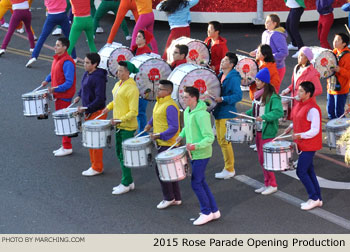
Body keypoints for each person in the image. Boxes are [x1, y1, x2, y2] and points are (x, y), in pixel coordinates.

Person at [176, 86, 220, 226]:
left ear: (194, 98)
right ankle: (214, 210)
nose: (183, 99)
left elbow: (209, 137)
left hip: (201, 153)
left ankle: (206, 212)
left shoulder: (202, 115)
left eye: (186, 97)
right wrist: (181, 136)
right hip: (193, 153)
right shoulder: (188, 111)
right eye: (183, 97)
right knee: (201, 182)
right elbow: (187, 127)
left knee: (196, 183)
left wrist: (195, 146)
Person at [102, 61, 139, 195]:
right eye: (117, 71)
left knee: (124, 155)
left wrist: (119, 120)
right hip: (118, 124)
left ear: (128, 72)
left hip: (126, 127)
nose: (118, 73)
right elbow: (116, 100)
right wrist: (108, 107)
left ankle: (125, 183)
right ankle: (129, 181)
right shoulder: (118, 84)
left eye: (121, 71)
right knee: (119, 153)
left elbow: (134, 112)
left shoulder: (132, 89)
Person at [284, 81, 323, 210]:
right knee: (309, 171)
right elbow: (297, 118)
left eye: (301, 91)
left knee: (301, 171)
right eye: (298, 90)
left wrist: (300, 135)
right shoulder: (300, 104)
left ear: (308, 94)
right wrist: (290, 127)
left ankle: (314, 198)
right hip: (302, 143)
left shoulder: (313, 109)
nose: (298, 93)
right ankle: (318, 198)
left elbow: (315, 130)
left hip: (309, 145)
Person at [144, 80, 182, 209]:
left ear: (168, 91)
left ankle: (168, 197)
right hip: (161, 141)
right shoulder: (160, 102)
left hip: (168, 144)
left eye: (160, 89)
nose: (157, 91)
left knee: (161, 170)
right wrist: (150, 124)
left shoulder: (170, 106)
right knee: (170, 170)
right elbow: (156, 115)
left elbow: (174, 128)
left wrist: (159, 135)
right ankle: (176, 197)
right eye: (158, 88)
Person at [246, 68, 283, 195]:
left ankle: (273, 184)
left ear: (265, 82)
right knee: (262, 159)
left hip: (267, 131)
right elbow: (255, 111)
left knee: (267, 159)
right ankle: (267, 183)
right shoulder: (258, 95)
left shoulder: (273, 97)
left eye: (258, 80)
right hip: (258, 130)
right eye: (256, 79)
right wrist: (244, 115)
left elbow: (278, 112)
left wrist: (264, 118)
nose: (256, 82)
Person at [74, 53, 107, 176]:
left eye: (88, 63)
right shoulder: (87, 73)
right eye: (85, 62)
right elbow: (83, 87)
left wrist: (86, 108)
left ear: (95, 64)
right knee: (91, 140)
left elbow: (100, 98)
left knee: (95, 142)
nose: (85, 64)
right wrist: (79, 95)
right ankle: (94, 165)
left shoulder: (98, 78)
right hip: (89, 111)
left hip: (97, 112)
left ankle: (97, 167)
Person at [42, 37, 76, 157]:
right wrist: (47, 80)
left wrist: (55, 89)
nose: (55, 47)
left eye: (57, 45)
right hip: (58, 94)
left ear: (64, 47)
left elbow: (69, 83)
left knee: (64, 121)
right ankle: (64, 144)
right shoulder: (57, 59)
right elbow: (54, 72)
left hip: (64, 96)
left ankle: (67, 146)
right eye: (55, 45)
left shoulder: (67, 62)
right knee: (61, 120)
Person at [212, 52, 242, 179]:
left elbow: (238, 96)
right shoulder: (221, 75)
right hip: (219, 112)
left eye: (225, 60)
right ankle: (228, 167)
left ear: (231, 64)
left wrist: (223, 98)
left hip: (226, 112)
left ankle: (229, 168)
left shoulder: (233, 78)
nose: (222, 62)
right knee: (220, 140)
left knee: (225, 141)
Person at [25, 0, 77, 68]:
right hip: (62, 15)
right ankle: (74, 56)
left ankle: (34, 56)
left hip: (51, 15)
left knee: (42, 37)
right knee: (69, 37)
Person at [249, 14, 288, 83]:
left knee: (272, 90)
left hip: (277, 67)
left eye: (268, 22)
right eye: (265, 21)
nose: (265, 23)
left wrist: (270, 58)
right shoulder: (265, 33)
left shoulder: (277, 35)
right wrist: (256, 52)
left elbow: (284, 52)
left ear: (274, 23)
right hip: (264, 65)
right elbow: (263, 47)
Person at [133, 29, 153, 137]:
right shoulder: (135, 50)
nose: (136, 38)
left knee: (140, 110)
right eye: (137, 36)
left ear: (145, 40)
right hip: (134, 84)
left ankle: (143, 133)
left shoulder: (147, 53)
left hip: (143, 86)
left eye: (139, 36)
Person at [326, 33, 350, 119]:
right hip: (331, 87)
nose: (334, 42)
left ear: (344, 44)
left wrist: (340, 70)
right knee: (330, 110)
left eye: (337, 40)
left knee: (338, 112)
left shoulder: (347, 56)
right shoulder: (334, 52)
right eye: (334, 40)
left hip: (341, 89)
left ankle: (342, 130)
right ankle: (333, 129)